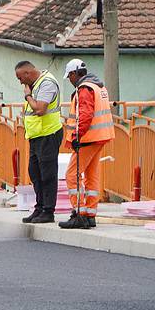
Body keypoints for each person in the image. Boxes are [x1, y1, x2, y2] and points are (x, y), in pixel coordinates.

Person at [59, 59, 115, 229]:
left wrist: (77, 136)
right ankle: (90, 214)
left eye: (69, 76)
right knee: (91, 176)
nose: (69, 80)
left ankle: (79, 214)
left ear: (74, 74)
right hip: (100, 136)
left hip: (88, 138)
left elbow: (85, 115)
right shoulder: (98, 86)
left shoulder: (84, 89)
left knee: (72, 176)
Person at [15, 61, 63, 224]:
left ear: (28, 73)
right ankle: (40, 207)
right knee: (35, 173)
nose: (20, 82)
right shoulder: (36, 84)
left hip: (49, 134)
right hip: (36, 136)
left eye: (20, 78)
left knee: (47, 175)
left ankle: (48, 211)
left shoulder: (47, 83)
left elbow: (40, 109)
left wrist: (28, 96)